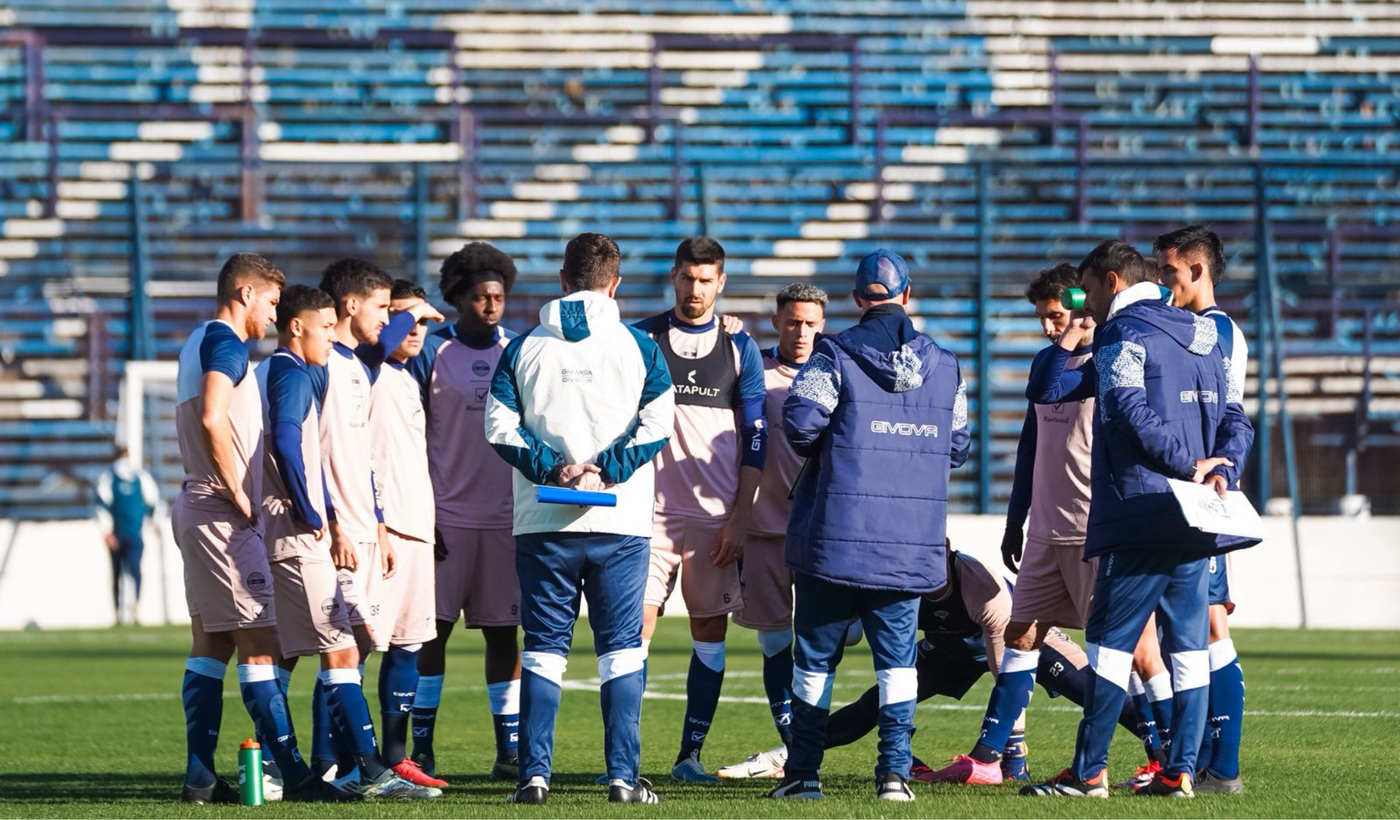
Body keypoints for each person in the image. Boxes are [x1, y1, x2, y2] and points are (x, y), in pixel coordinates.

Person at [1020, 240, 1256, 799]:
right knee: (1189, 646)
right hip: (1196, 522)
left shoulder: (1122, 336)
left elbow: (1125, 409)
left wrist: (1188, 465)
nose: (1085, 303)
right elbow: (1235, 416)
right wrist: (1224, 466)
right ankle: (1180, 773)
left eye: (1088, 289)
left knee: (1106, 645)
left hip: (1141, 511)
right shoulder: (1202, 334)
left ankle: (1088, 773)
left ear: (1112, 283)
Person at [771, 248, 970, 802]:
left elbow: (801, 423)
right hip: (911, 543)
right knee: (898, 664)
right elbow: (957, 447)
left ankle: (804, 774)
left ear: (859, 300)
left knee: (813, 662)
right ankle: (894, 776)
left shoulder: (833, 353)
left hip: (834, 537)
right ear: (907, 295)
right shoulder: (948, 365)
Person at [486, 232, 674, 805]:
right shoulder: (638, 345)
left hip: (543, 519)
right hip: (619, 522)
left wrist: (554, 469)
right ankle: (622, 778)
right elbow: (659, 424)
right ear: (613, 284)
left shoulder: (521, 347)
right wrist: (608, 471)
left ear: (563, 280)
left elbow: (498, 426)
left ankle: (534, 777)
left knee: (543, 648)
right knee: (621, 650)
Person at [171, 253, 355, 804]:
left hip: (196, 507)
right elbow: (210, 416)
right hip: (220, 513)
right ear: (246, 293)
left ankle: (200, 778)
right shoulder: (226, 343)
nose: (275, 314)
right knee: (261, 643)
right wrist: (238, 493)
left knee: (211, 646)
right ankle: (295, 774)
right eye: (272, 302)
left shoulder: (199, 339)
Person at [726, 548, 1149, 777]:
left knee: (1092, 692)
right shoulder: (903, 583)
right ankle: (789, 755)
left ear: (947, 556)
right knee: (872, 705)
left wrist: (1010, 750)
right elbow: (851, 633)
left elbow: (1009, 672)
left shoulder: (979, 584)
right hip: (950, 653)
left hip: (1021, 642)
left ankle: (1167, 753)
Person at [256, 284, 434, 802]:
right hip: (303, 532)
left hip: (325, 526)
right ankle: (361, 770)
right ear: (300, 325)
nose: (332, 335)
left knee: (293, 650)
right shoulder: (294, 372)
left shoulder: (308, 369)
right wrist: (316, 515)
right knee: (335, 648)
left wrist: (349, 516)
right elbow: (289, 444)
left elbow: (316, 453)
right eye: (325, 325)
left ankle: (293, 770)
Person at [635, 237, 767, 784]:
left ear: (721, 283)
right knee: (631, 632)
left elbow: (756, 438)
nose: (696, 289)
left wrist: (740, 518)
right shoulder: (642, 338)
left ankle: (689, 756)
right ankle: (625, 761)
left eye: (706, 280)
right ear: (674, 277)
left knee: (709, 631)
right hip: (646, 516)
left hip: (714, 521)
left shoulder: (741, 347)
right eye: (687, 278)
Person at [303, 258, 437, 797]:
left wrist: (377, 521)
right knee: (342, 648)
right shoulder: (336, 366)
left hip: (386, 527)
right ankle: (327, 763)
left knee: (396, 643)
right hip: (341, 532)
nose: (393, 322)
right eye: (385, 310)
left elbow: (365, 462)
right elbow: (309, 452)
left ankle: (378, 761)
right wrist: (334, 520)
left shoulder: (366, 369)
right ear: (353, 304)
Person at [407, 243, 522, 781]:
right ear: (457, 299)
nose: (491, 306)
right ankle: (422, 747)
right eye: (479, 297)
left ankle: (510, 750)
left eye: (498, 296)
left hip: (506, 519)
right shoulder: (431, 352)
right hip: (446, 517)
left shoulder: (521, 351)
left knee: (505, 635)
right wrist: (420, 512)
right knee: (432, 635)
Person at [715, 283, 827, 780]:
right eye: (792, 321)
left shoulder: (838, 371)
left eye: (810, 323)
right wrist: (725, 332)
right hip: (761, 532)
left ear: (822, 325)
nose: (800, 331)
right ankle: (792, 749)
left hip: (823, 533)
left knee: (830, 639)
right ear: (778, 321)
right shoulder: (753, 366)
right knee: (774, 644)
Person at [1153, 225, 1250, 793]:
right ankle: (1205, 760)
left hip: (1202, 491)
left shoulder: (1211, 330)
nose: (1165, 282)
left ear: (1197, 270)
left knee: (1210, 627)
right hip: (1191, 488)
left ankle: (1223, 766)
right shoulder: (1202, 328)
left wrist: (1215, 470)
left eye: (1169, 271)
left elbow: (1223, 411)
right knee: (1190, 628)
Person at [365, 280, 448, 788]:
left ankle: (395, 758)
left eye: (421, 322)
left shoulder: (403, 377)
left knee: (408, 646)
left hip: (416, 528)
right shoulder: (365, 370)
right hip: (385, 530)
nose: (416, 329)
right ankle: (342, 758)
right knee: (352, 650)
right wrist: (380, 525)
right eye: (404, 319)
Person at [95, 446, 160, 626]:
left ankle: (133, 611)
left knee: (128, 572)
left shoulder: (137, 477)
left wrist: (106, 532)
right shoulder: (116, 478)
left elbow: (100, 506)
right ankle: (121, 613)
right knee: (128, 573)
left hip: (128, 534)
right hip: (126, 534)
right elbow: (154, 503)